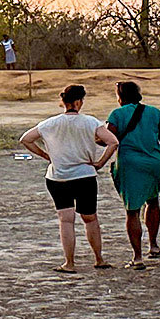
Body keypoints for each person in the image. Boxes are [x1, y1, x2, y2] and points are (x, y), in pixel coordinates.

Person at [19, 85, 119, 273]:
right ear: (78, 102)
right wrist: (100, 163)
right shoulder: (90, 122)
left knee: (66, 220)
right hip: (84, 175)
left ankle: (69, 263)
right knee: (90, 219)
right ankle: (98, 258)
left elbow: (26, 139)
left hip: (57, 177)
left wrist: (46, 155)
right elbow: (113, 142)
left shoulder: (50, 123)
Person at [103, 81, 160, 268]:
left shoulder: (116, 115)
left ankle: (137, 257)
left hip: (130, 164)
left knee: (132, 210)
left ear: (120, 97)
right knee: (153, 201)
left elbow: (108, 139)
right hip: (153, 163)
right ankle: (154, 246)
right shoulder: (154, 112)